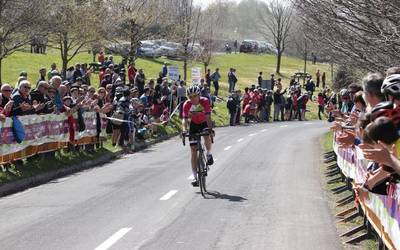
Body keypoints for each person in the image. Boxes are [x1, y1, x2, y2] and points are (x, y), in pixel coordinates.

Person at [182, 85, 214, 187]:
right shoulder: (187, 104)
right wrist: (184, 130)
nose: (193, 98)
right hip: (194, 125)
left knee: (206, 135)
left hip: (204, 122)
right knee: (193, 150)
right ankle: (195, 176)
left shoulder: (204, 101)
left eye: (195, 96)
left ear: (199, 95)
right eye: (190, 96)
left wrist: (210, 129)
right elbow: (185, 119)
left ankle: (209, 154)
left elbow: (208, 116)